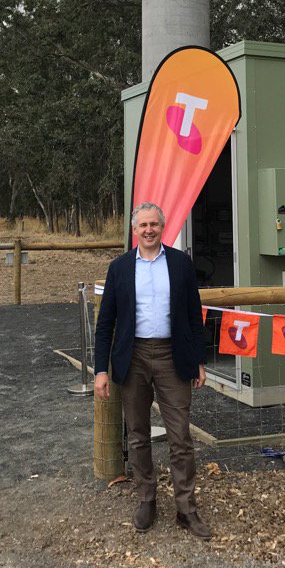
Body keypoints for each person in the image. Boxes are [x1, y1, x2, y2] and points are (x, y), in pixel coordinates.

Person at [94, 202, 211, 539]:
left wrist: (198, 360)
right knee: (138, 434)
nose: (148, 230)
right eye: (142, 225)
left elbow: (193, 314)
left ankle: (186, 508)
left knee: (181, 437)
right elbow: (106, 325)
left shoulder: (180, 264)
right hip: (133, 358)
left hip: (173, 356)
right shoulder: (119, 268)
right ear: (134, 230)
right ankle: (147, 499)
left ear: (163, 227)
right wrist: (101, 369)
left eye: (154, 224)